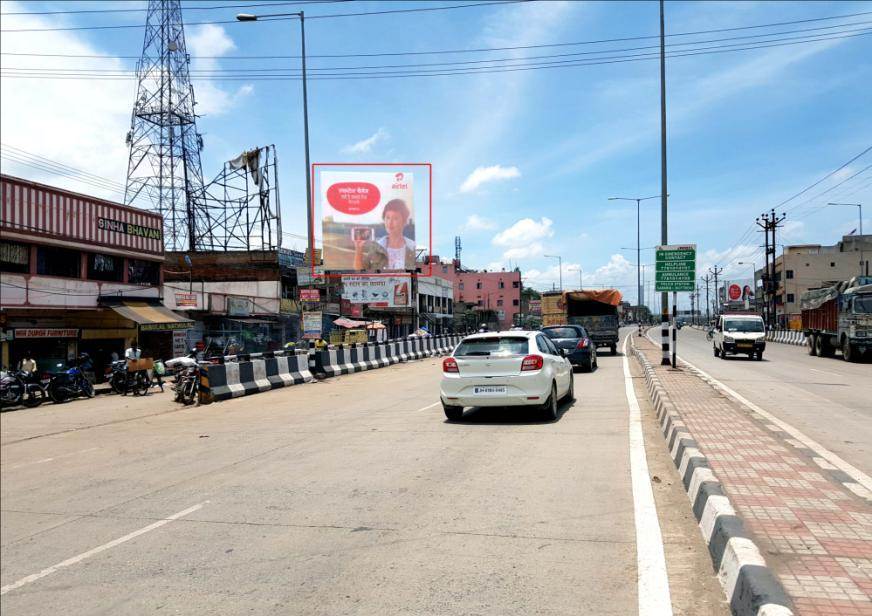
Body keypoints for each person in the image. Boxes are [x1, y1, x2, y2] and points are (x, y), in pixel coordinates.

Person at [353, 199, 416, 271]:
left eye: (395, 218)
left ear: (404, 222)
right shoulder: (376, 246)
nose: (390, 223)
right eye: (387, 217)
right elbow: (360, 271)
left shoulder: (413, 248)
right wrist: (358, 248)